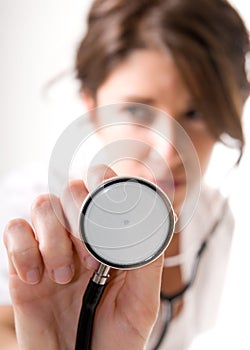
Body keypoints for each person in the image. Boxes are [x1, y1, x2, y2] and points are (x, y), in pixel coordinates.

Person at [1, 0, 250, 349]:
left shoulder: (213, 220)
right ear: (92, 108)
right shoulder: (32, 219)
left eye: (196, 112)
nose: (168, 152)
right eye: (137, 110)